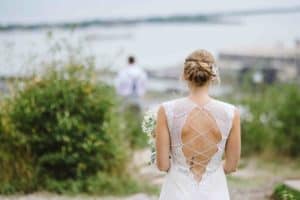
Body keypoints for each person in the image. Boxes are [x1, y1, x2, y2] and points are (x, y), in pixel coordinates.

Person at [155, 49, 241, 200]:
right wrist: (212, 170)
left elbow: (163, 165)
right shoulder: (231, 113)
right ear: (213, 76)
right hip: (216, 192)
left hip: (177, 191)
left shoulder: (167, 110)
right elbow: (231, 165)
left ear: (185, 75)